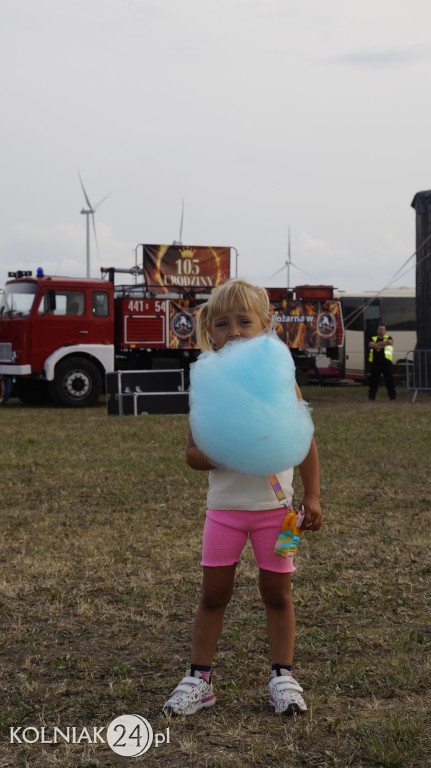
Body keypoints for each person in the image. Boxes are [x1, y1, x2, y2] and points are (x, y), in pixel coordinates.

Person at [163, 278, 322, 717]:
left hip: (279, 513)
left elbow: (304, 440)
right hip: (225, 513)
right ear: (209, 330)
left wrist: (313, 495)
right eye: (222, 324)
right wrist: (226, 447)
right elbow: (193, 455)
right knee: (214, 594)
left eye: (244, 322)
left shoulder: (281, 381)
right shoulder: (208, 383)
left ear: (266, 324)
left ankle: (283, 677)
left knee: (278, 594)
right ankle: (199, 679)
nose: (233, 331)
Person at [368, 323, 396, 401]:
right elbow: (370, 345)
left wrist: (377, 344)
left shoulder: (388, 337)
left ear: (385, 331)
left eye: (382, 329)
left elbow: (390, 342)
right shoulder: (373, 338)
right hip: (375, 363)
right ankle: (371, 397)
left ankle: (392, 397)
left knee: (389, 380)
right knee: (373, 381)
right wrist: (383, 344)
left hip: (386, 363)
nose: (381, 331)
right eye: (379, 329)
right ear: (377, 330)